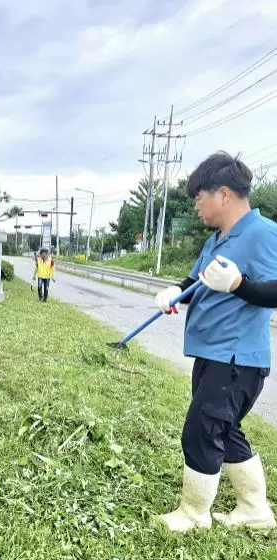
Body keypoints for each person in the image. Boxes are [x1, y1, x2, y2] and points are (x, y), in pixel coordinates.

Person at [154, 151, 277, 532]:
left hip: (237, 357)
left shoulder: (262, 233)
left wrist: (240, 284)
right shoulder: (218, 239)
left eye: (198, 197)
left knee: (202, 429)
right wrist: (174, 291)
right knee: (225, 430)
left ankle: (193, 514)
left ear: (222, 194)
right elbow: (195, 283)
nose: (195, 205)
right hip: (211, 353)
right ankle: (255, 509)